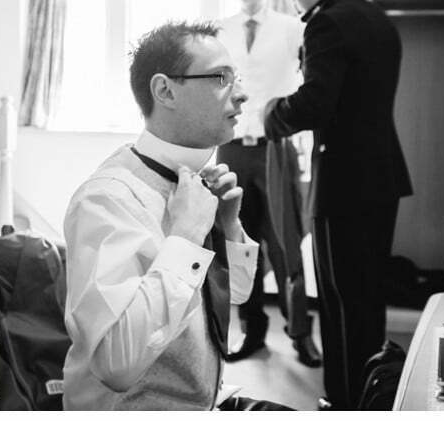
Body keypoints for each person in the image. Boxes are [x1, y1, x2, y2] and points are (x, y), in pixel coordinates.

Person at [62, 21, 292, 411]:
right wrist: (185, 237)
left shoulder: (197, 186)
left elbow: (234, 294)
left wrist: (227, 225)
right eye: (221, 77)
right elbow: (115, 365)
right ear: (165, 90)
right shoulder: (107, 200)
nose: (242, 94)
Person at [264, 0, 413, 410]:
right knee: (367, 298)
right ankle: (368, 397)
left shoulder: (327, 21)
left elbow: (315, 102)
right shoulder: (377, 18)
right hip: (382, 177)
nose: (296, 7)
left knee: (339, 299)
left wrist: (273, 113)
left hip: (344, 181)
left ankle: (345, 401)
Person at [216, 0, 322, 368]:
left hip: (277, 147)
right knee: (239, 243)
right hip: (232, 148)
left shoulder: (292, 27)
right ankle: (252, 329)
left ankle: (300, 335)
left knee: (286, 243)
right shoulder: (220, 31)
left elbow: (313, 80)